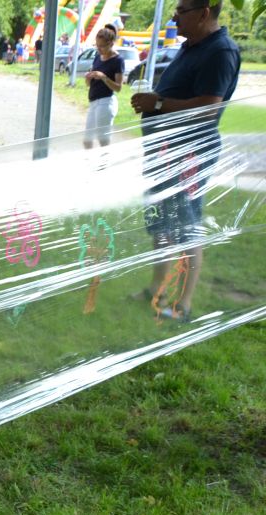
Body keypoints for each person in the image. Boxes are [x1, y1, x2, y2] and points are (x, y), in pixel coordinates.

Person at [129, 0, 241, 322]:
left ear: (204, 13)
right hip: (165, 152)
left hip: (188, 154)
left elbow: (209, 108)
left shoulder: (220, 51)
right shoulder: (191, 45)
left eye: (181, 11)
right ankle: (157, 290)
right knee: (162, 222)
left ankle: (184, 305)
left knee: (186, 225)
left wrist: (158, 104)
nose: (174, 17)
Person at [83, 26, 124, 149]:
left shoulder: (118, 60)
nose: (99, 49)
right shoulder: (97, 57)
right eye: (97, 45)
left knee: (103, 140)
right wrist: (88, 78)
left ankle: (104, 160)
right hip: (93, 101)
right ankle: (89, 160)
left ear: (111, 44)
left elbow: (118, 88)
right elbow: (89, 84)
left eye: (102, 46)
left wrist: (103, 77)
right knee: (87, 140)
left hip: (106, 101)